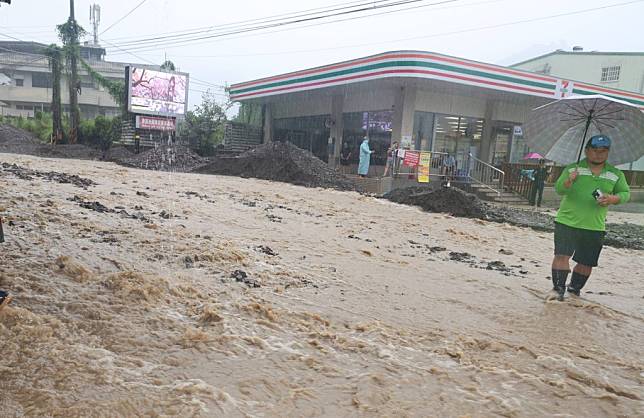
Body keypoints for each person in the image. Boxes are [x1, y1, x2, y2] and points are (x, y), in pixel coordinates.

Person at [550, 134, 630, 301]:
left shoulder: (615, 174)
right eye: (595, 150)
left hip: (594, 226)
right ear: (587, 151)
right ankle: (558, 290)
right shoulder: (573, 169)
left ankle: (574, 290)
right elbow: (559, 189)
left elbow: (625, 193)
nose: (598, 154)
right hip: (567, 221)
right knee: (561, 256)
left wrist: (612, 199)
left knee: (586, 262)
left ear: (608, 153)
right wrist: (568, 182)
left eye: (603, 151)